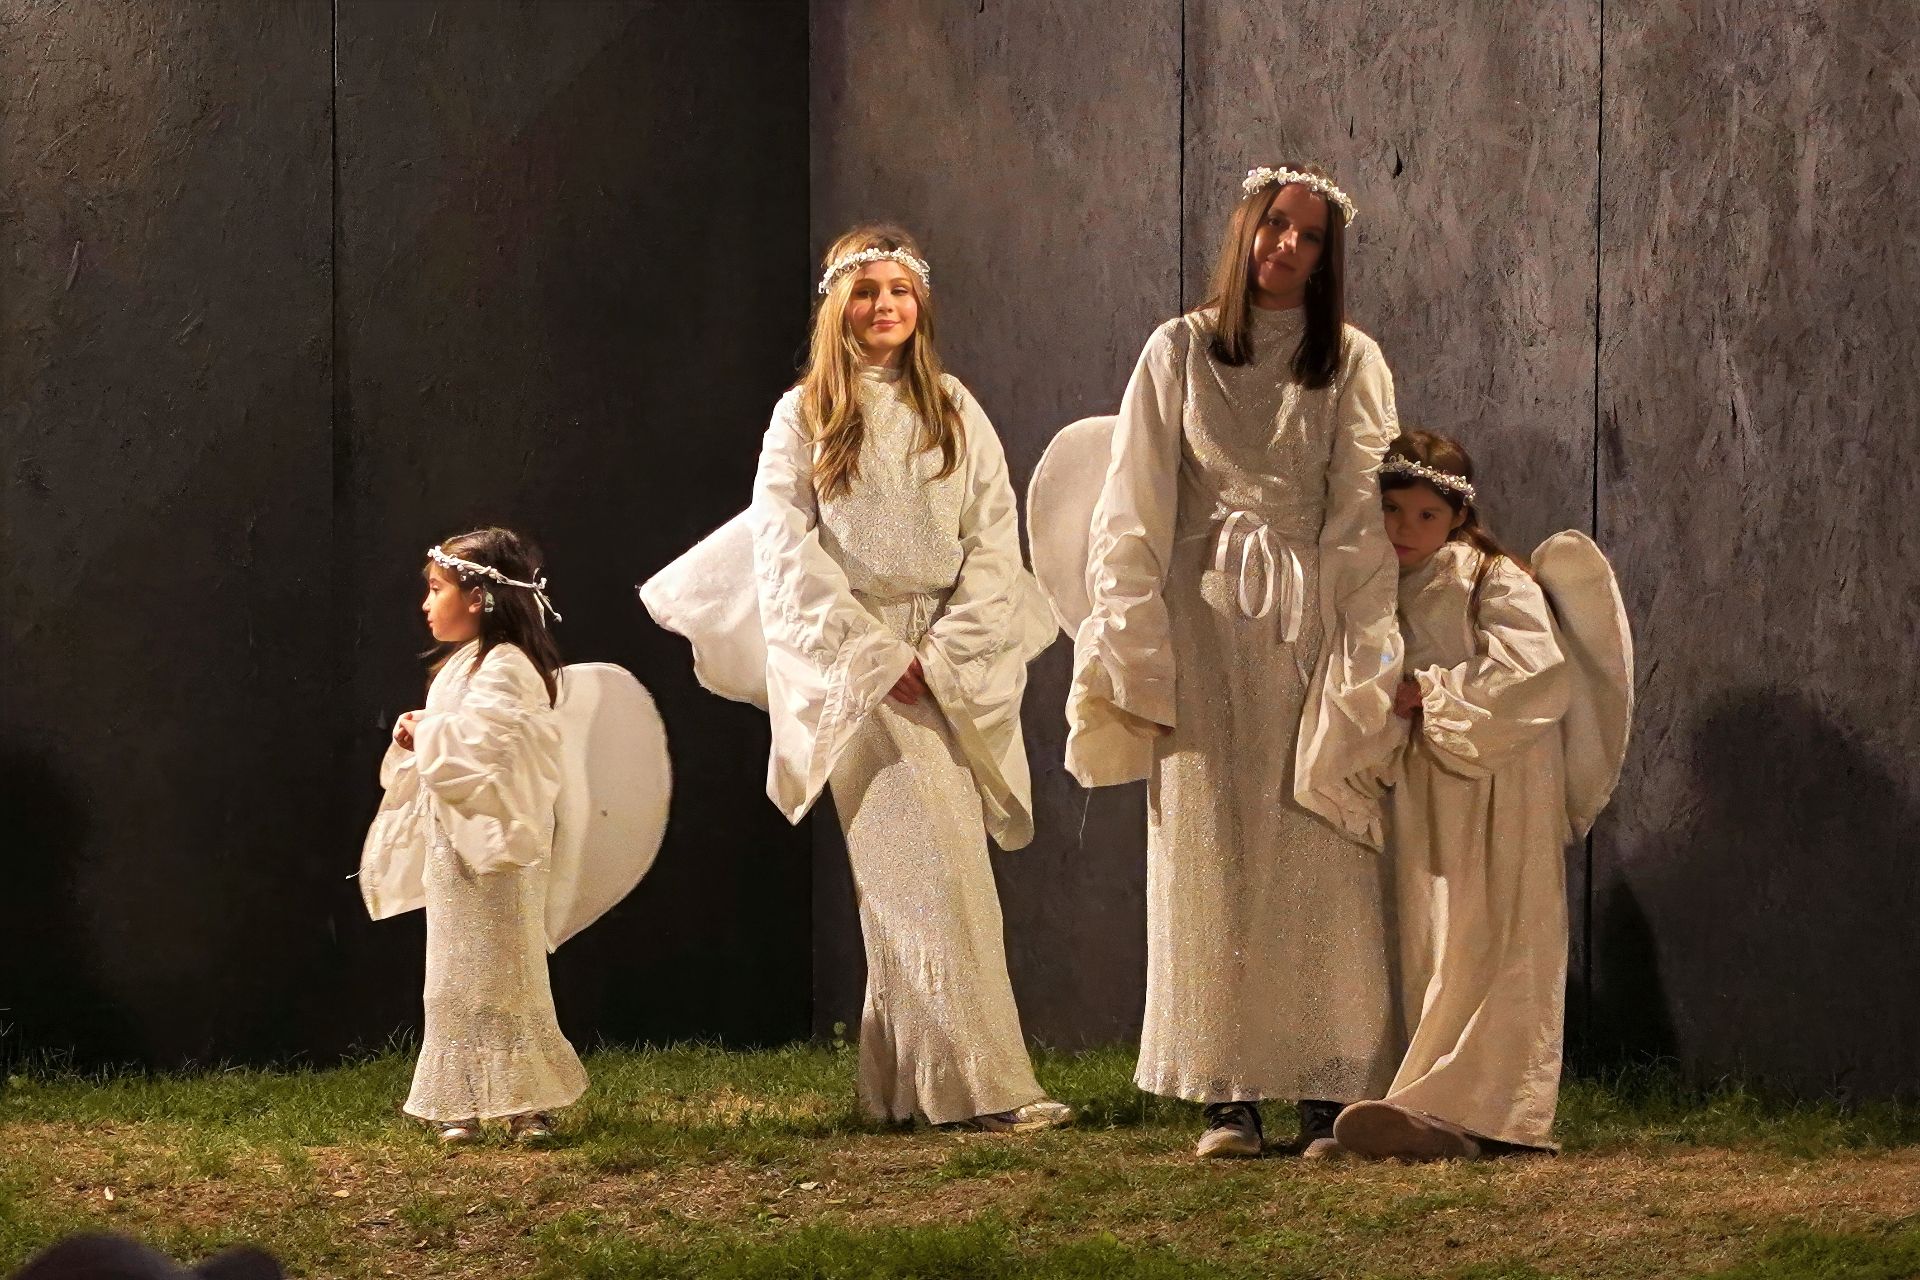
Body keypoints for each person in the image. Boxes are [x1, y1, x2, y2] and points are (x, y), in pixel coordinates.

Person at [645, 226, 1070, 1134]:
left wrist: (946, 654)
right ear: (840, 306)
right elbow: (783, 548)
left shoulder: (954, 407)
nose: (885, 306)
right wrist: (875, 657)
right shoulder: (803, 415)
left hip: (943, 661)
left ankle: (904, 1087)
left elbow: (995, 540)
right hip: (863, 670)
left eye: (900, 291)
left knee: (930, 875)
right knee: (925, 875)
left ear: (922, 304)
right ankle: (981, 1091)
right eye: (867, 291)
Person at [1063, 164, 1405, 1158]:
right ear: (1246, 228)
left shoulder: (1351, 359)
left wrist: (1360, 642)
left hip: (1304, 622)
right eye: (1275, 225)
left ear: (1327, 257)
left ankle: (1328, 1085)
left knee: (1316, 847)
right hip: (1204, 621)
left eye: (1309, 235)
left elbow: (1362, 510)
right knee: (1209, 849)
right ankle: (1228, 1092)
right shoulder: (1176, 350)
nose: (1286, 245)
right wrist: (1133, 640)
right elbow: (1131, 507)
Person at [1335, 431, 1633, 1160]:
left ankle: (1490, 1110)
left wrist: (1432, 692)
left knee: (1493, 927)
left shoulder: (1490, 578)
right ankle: (1417, 1103)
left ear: (1459, 517)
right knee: (1433, 930)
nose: (1406, 528)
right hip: (1432, 776)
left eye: (1426, 516)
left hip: (1501, 780)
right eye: (1393, 510)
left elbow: (1536, 671)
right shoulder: (1379, 580)